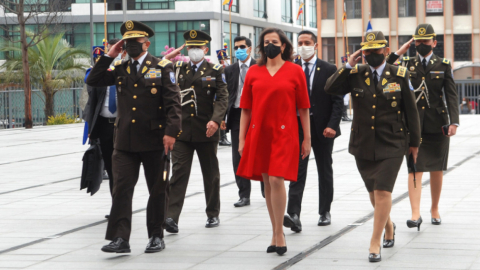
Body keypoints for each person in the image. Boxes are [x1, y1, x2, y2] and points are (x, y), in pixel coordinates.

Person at [86, 20, 182, 253]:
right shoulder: (120, 67)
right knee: (121, 189)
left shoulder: (162, 66)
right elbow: (93, 80)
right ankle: (120, 239)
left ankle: (156, 236)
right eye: (126, 43)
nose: (130, 47)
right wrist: (109, 56)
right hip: (125, 142)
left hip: (155, 140)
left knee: (158, 189)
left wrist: (171, 134)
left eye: (134, 43)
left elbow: (173, 104)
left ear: (147, 43)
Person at [325, 31, 420, 262]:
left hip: (392, 142)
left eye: (376, 50)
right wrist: (348, 64)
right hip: (363, 144)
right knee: (372, 192)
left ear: (386, 50)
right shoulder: (356, 73)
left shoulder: (399, 74)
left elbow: (411, 111)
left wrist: (415, 143)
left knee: (383, 191)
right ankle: (388, 225)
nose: (371, 55)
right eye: (367, 51)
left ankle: (374, 242)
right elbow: (330, 88)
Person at [237, 28, 311, 256]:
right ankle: (275, 231)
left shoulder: (295, 71)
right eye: (266, 41)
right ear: (261, 46)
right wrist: (241, 138)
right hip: (259, 134)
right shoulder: (253, 72)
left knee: (278, 179)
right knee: (267, 183)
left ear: (284, 46)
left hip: (284, 133)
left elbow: (304, 108)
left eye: (275, 41)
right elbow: (246, 109)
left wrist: (306, 138)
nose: (270, 45)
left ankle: (279, 232)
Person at [387, 24, 459, 229]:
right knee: (414, 167)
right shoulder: (407, 63)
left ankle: (434, 208)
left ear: (434, 43)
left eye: (425, 42)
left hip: (438, 124)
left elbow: (451, 95)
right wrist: (400, 51)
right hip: (413, 125)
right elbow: (386, 66)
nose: (421, 45)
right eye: (417, 42)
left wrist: (454, 122)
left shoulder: (444, 65)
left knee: (437, 168)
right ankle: (415, 213)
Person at [164, 30, 228, 233]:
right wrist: (167, 58)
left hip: (206, 131)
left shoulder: (215, 69)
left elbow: (222, 98)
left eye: (198, 48)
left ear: (205, 50)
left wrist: (216, 121)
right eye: (190, 47)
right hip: (182, 132)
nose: (194, 51)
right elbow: (155, 69)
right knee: (178, 173)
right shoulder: (178, 67)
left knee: (210, 175)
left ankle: (213, 214)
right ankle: (171, 217)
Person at [283, 30, 343, 232]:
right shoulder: (291, 68)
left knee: (324, 170)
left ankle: (324, 211)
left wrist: (332, 125)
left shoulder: (328, 68)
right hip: (298, 128)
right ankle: (293, 214)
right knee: (297, 171)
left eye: (307, 42)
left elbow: (337, 101)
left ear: (315, 45)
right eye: (300, 42)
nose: (303, 46)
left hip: (323, 129)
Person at [85, 38, 126, 219]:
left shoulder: (130, 73)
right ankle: (116, 207)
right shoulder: (104, 74)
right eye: (113, 49)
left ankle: (124, 205)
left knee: (124, 170)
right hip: (106, 127)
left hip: (125, 127)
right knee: (111, 168)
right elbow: (90, 82)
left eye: (121, 50)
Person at [222, 36, 265, 207]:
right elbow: (225, 95)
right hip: (236, 114)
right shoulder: (230, 70)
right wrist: (222, 118)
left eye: (242, 47)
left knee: (261, 153)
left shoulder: (260, 67)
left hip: (257, 114)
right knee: (238, 156)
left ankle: (265, 190)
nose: (239, 50)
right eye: (236, 47)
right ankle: (244, 195)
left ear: (249, 48)